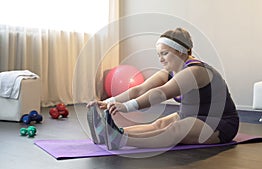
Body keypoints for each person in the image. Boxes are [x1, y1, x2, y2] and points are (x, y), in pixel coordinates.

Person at [87, 28, 239, 150]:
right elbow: (140, 90)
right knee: (159, 124)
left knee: (177, 129)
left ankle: (121, 140)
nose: (160, 59)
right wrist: (108, 102)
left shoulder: (195, 71)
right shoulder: (170, 71)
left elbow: (161, 93)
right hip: (192, 117)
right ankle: (109, 134)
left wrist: (126, 107)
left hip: (219, 123)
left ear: (180, 51)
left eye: (165, 53)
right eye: (159, 54)